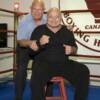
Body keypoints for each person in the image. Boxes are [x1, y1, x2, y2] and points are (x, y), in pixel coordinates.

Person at [29, 8, 90, 100]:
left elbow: (75, 48)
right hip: (43, 64)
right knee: (36, 76)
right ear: (46, 17)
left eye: (57, 17)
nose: (54, 20)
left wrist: (71, 50)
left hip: (63, 64)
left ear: (61, 18)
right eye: (51, 17)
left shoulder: (67, 31)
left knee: (83, 70)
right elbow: (31, 53)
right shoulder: (38, 30)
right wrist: (39, 43)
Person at [15, 0, 52, 100]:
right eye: (34, 9)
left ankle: (47, 96)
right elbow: (20, 41)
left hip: (41, 48)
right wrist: (31, 43)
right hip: (25, 46)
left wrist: (67, 28)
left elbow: (56, 28)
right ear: (30, 9)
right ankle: (18, 97)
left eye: (39, 9)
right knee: (21, 70)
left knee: (48, 66)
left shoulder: (47, 19)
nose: (37, 11)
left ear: (44, 10)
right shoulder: (24, 21)